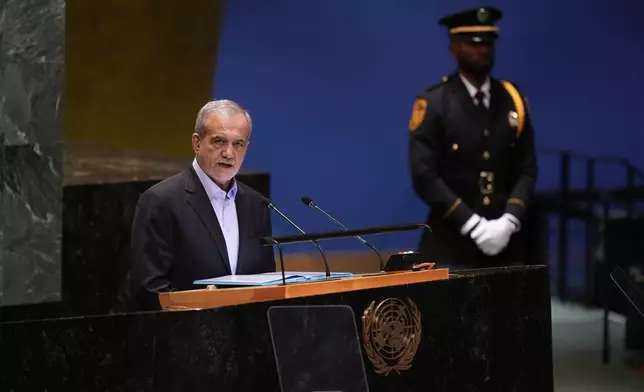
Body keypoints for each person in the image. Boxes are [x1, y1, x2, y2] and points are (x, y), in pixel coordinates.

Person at [408, 6, 538, 269]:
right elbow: (424, 175)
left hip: (508, 240)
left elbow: (527, 168)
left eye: (488, 44)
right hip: (451, 241)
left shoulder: (513, 99)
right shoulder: (434, 102)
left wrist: (510, 220)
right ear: (453, 48)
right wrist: (472, 224)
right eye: (472, 44)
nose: (482, 50)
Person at [127, 99, 275, 310]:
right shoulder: (161, 201)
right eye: (219, 141)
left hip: (245, 336)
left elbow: (266, 283)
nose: (228, 153)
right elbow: (150, 287)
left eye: (238, 144)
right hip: (187, 335)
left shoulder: (256, 205)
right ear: (197, 143)